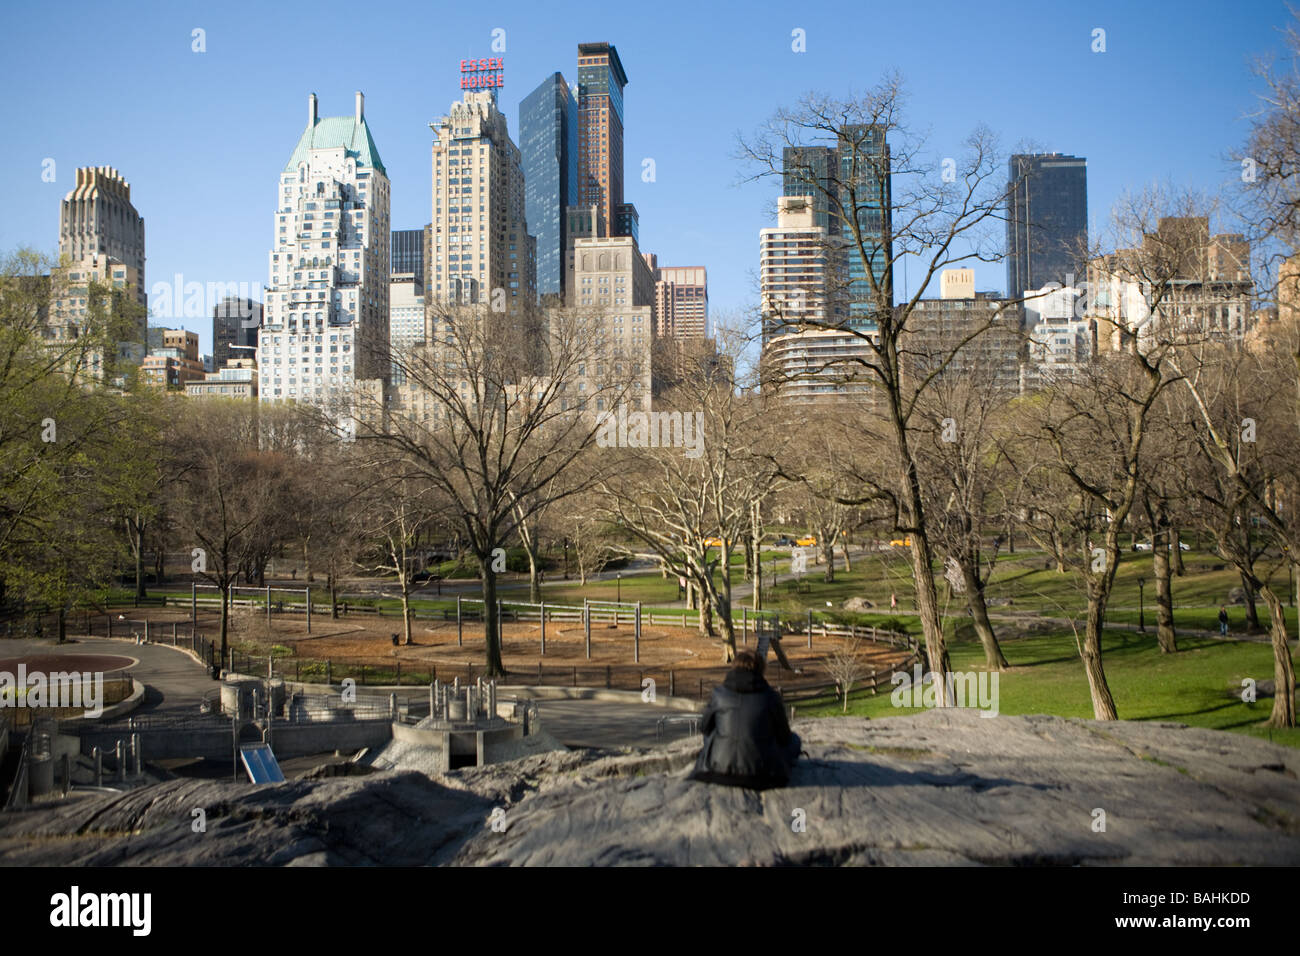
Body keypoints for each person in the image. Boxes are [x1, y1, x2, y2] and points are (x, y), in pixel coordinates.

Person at [690, 650, 800, 790]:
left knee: (711, 734)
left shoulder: (719, 694)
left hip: (719, 769)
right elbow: (784, 737)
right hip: (763, 774)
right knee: (795, 740)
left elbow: (704, 728)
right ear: (761, 670)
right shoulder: (771, 697)